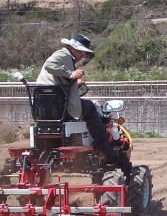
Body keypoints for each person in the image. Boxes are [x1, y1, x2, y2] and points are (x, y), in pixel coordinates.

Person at [37, 34, 131, 176]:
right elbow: (50, 65)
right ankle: (103, 146)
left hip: (45, 106)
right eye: (84, 52)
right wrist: (71, 74)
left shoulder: (66, 57)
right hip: (58, 106)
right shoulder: (63, 54)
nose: (84, 56)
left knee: (86, 106)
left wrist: (73, 82)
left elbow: (55, 77)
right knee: (91, 108)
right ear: (77, 49)